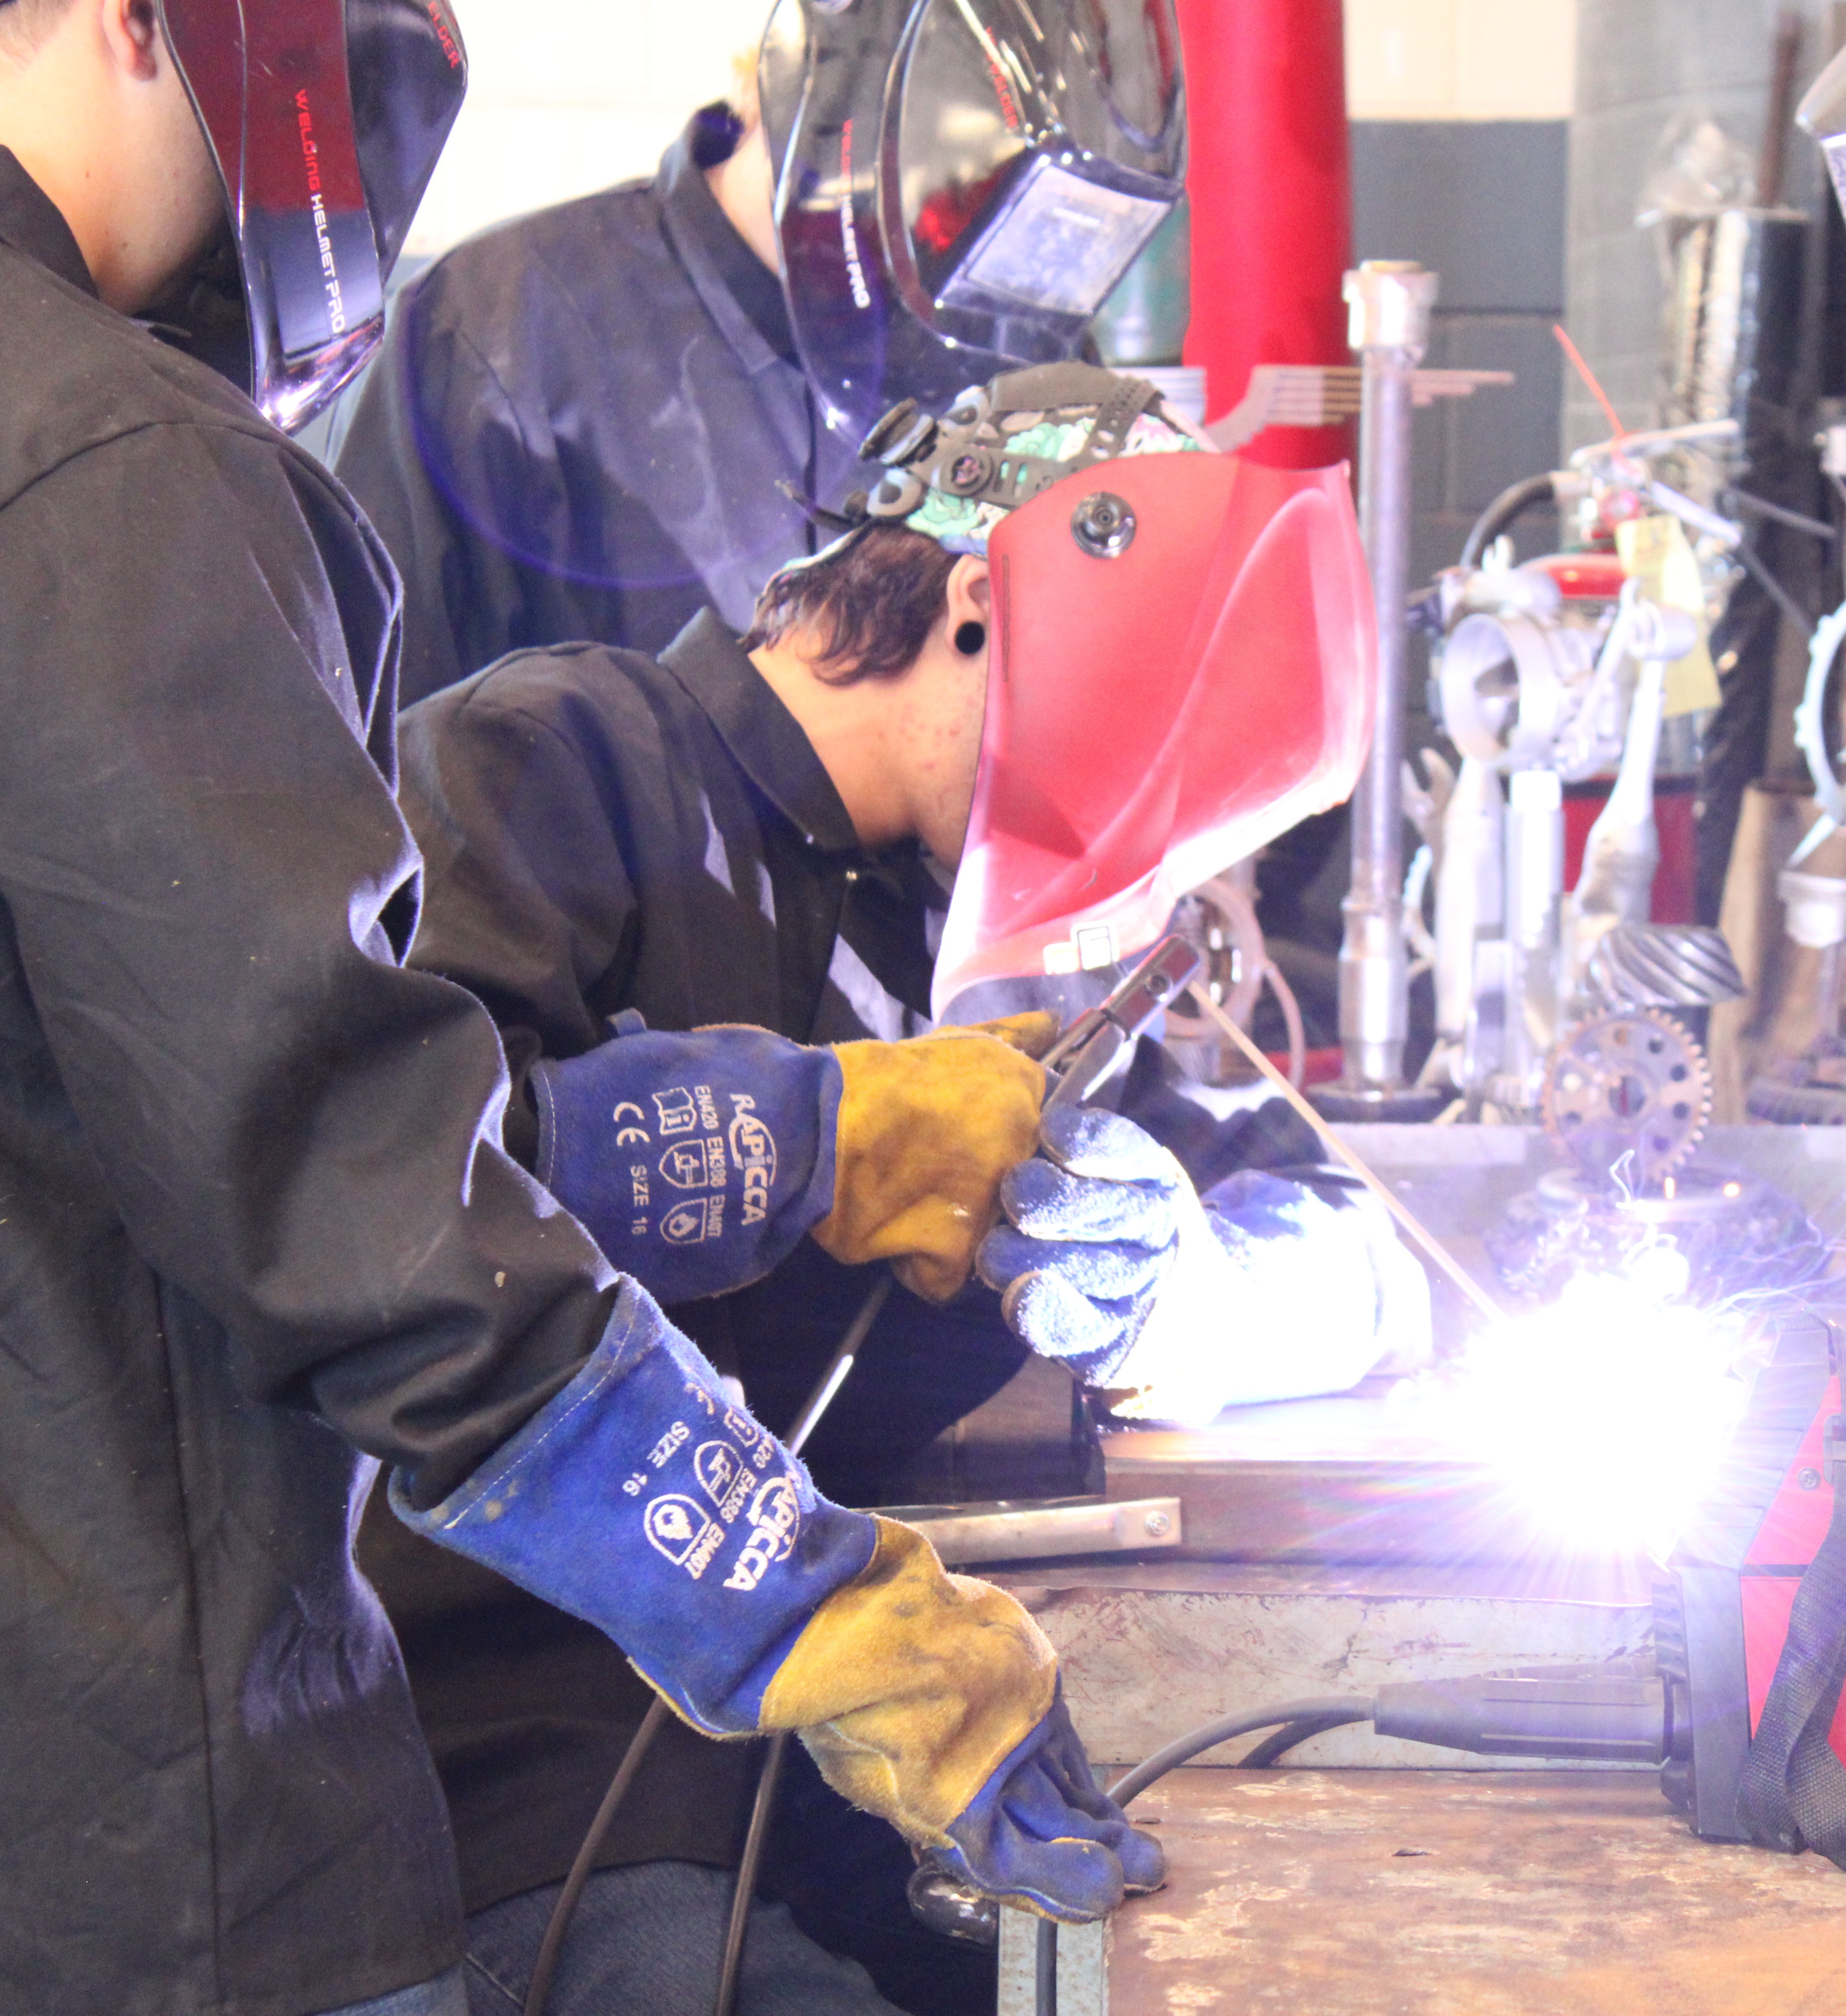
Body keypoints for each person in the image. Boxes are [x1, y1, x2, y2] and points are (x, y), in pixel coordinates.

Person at [0, 8, 1165, 2015]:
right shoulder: (109, 462)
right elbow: (356, 1179)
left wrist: (876, 1171)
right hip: (163, 1842)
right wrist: (794, 1595)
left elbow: (225, 1089)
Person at [369, 362, 1433, 2011]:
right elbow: (362, 1187)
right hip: (521, 1755)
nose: (1112, 868)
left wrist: (1198, 1297)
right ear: (973, 610)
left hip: (841, 1766)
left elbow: (1369, 1255)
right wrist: (785, 1136)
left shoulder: (958, 944)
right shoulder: (558, 762)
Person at [334, 0, 1188, 707]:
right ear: (846, 106)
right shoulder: (501, 334)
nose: (976, 319)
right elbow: (383, 800)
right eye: (960, 206)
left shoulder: (1009, 355)